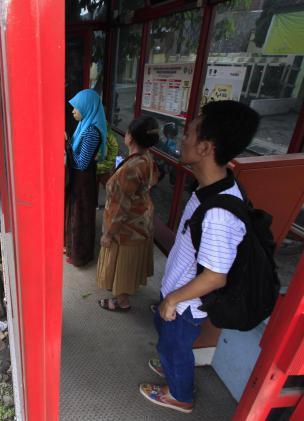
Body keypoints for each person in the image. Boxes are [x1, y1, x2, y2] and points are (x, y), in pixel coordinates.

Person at [139, 101, 260, 413]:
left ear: (206, 147)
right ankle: (172, 364)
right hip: (179, 294)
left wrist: (173, 299)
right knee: (169, 340)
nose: (183, 138)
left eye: (190, 133)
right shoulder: (211, 186)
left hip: (187, 304)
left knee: (175, 345)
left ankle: (179, 394)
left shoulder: (220, 212)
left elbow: (215, 276)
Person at [96, 116, 159, 311]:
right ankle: (126, 291)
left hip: (126, 228)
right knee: (131, 265)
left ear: (130, 138)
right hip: (142, 220)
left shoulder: (129, 169)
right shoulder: (147, 158)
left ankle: (121, 301)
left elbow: (119, 208)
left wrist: (109, 234)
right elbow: (153, 181)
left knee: (123, 266)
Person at [64, 89, 107, 267]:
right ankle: (73, 248)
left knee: (80, 215)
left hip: (84, 180)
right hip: (80, 178)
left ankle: (80, 255)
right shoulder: (85, 125)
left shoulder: (92, 131)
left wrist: (66, 146)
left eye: (76, 108)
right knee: (75, 213)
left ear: (87, 107)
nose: (73, 111)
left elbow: (81, 163)